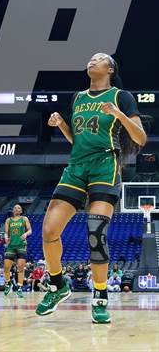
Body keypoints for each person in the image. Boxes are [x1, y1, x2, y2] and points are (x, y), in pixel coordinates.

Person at [35, 53, 146, 324]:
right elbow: (79, 141)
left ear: (109, 69)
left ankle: (100, 296)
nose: (91, 61)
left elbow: (140, 137)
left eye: (99, 59)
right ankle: (58, 284)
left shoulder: (122, 96)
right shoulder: (78, 98)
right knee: (49, 230)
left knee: (96, 231)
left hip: (105, 166)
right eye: (91, 58)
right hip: (76, 166)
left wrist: (119, 114)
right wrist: (62, 125)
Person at [3, 204, 32, 298]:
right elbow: (6, 233)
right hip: (11, 245)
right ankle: (8, 284)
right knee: (6, 268)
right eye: (15, 207)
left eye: (18, 207)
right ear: (13, 210)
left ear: (21, 211)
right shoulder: (8, 220)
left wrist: (26, 234)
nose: (16, 208)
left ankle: (19, 288)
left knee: (20, 268)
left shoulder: (24, 219)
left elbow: (30, 230)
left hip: (21, 245)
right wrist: (6, 237)